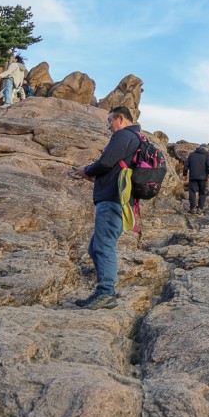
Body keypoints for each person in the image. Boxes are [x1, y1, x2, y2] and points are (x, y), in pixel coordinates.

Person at [71, 106, 143, 309]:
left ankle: (106, 292)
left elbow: (106, 162)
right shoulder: (134, 137)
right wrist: (95, 176)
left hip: (113, 199)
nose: (108, 125)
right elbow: (114, 167)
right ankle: (101, 291)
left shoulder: (123, 135)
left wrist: (87, 169)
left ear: (121, 119)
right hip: (116, 197)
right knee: (95, 247)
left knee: (103, 246)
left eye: (110, 120)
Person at [183, 144, 209, 214]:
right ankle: (200, 208)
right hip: (203, 177)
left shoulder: (192, 155)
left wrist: (184, 174)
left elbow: (186, 165)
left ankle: (192, 208)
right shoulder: (207, 155)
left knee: (192, 192)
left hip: (193, 177)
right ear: (206, 149)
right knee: (202, 193)